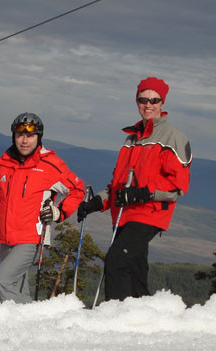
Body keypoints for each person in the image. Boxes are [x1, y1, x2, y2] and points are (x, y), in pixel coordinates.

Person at [78, 77, 191, 301]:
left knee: (116, 261)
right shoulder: (131, 139)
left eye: (154, 100)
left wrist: (142, 193)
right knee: (135, 273)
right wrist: (96, 203)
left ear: (162, 102)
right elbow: (118, 185)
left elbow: (178, 187)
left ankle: (117, 318)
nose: (148, 104)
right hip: (123, 215)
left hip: (149, 213)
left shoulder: (173, 137)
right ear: (137, 101)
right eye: (143, 99)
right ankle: (144, 317)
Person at [0, 112, 85, 303]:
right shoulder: (2, 163)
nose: (24, 140)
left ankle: (18, 323)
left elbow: (77, 189)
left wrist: (59, 212)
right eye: (20, 135)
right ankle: (29, 325)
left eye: (30, 135)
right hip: (6, 237)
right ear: (14, 136)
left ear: (39, 137)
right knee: (18, 288)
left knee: (3, 279)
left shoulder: (50, 164)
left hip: (31, 236)